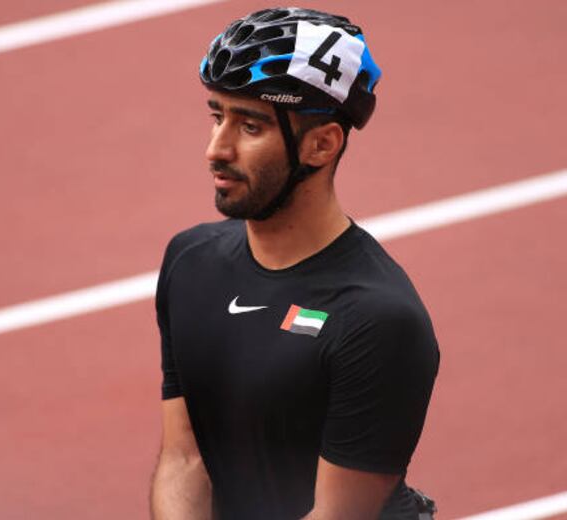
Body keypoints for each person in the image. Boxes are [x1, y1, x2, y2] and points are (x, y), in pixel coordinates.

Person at [150, 7, 440, 520]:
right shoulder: (190, 263)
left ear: (321, 144)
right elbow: (185, 457)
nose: (216, 149)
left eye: (251, 126)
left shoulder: (376, 321)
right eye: (218, 116)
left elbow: (336, 515)